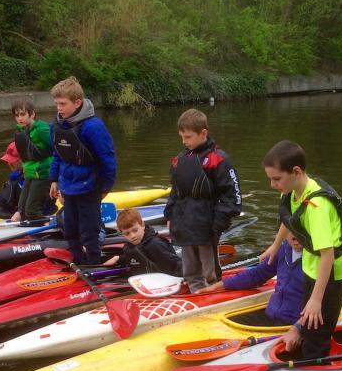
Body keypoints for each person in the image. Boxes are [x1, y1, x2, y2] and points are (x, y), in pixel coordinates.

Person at [261, 140, 342, 360]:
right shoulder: (292, 190)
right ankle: (304, 345)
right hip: (311, 265)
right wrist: (275, 246)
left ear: (295, 172)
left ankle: (316, 366)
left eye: (276, 179)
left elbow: (328, 255)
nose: (272, 184)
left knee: (317, 328)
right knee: (307, 318)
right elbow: (289, 218)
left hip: (332, 271)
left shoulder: (317, 207)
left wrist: (316, 299)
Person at [164, 109, 241, 293]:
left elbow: (233, 197)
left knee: (209, 271)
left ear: (203, 133)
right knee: (189, 269)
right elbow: (175, 192)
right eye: (182, 137)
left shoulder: (218, 159)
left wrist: (219, 223)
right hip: (184, 224)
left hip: (207, 225)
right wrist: (170, 215)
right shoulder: (179, 161)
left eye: (188, 137)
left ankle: (213, 290)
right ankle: (194, 290)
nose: (184, 141)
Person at [49, 77, 117, 265]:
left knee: (89, 230)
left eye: (63, 104)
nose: (59, 108)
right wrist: (54, 179)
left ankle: (94, 263)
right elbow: (57, 155)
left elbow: (108, 160)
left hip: (89, 187)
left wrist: (104, 188)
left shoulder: (93, 127)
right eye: (56, 104)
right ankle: (77, 261)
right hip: (68, 187)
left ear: (77, 103)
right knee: (70, 228)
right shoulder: (56, 126)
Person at [199, 232, 305, 326]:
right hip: (271, 314)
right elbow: (258, 274)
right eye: (292, 235)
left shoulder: (316, 261)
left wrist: (298, 329)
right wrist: (220, 285)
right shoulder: (282, 250)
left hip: (292, 324)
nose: (296, 239)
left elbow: (319, 305)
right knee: (219, 326)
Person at [11, 97, 56, 224]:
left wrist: (57, 177)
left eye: (23, 114)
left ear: (32, 114)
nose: (20, 118)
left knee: (32, 211)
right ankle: (27, 225)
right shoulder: (21, 130)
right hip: (30, 173)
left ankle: (46, 227)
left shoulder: (41, 130)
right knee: (21, 209)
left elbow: (59, 149)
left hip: (43, 174)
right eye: (17, 115)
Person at [102, 208, 182, 276]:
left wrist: (185, 277)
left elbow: (177, 264)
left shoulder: (156, 245)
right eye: (127, 233)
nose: (132, 236)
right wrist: (118, 258)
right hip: (143, 284)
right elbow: (134, 257)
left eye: (135, 230)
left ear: (142, 225)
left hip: (163, 285)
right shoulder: (128, 247)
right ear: (122, 233)